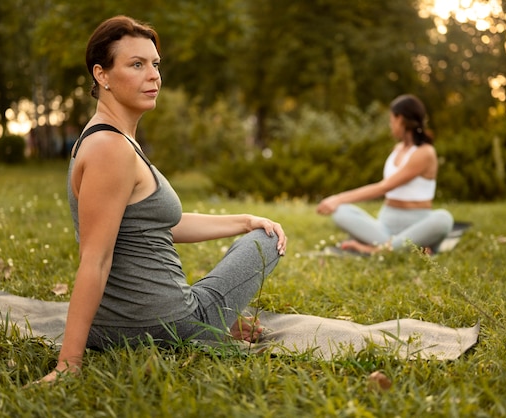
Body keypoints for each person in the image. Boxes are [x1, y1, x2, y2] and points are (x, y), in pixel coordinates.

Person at [39, 16, 287, 383]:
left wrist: (246, 220)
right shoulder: (112, 149)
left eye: (155, 64)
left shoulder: (105, 138)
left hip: (111, 328)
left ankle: (220, 323)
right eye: (136, 65)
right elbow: (95, 259)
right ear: (101, 75)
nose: (154, 75)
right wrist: (67, 365)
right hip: (167, 323)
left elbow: (161, 225)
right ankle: (212, 326)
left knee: (256, 231)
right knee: (266, 243)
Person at [316, 94, 453, 255]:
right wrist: (338, 204)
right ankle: (403, 248)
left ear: (400, 119)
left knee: (444, 219)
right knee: (341, 212)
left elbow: (384, 186)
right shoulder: (397, 149)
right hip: (384, 225)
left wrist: (337, 198)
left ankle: (377, 250)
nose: (390, 125)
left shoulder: (425, 153)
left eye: (391, 120)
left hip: (418, 225)